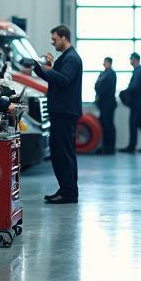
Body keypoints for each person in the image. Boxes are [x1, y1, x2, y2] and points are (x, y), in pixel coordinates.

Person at [32, 24, 83, 204]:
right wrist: (44, 68)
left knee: (63, 153)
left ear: (63, 37)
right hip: (62, 111)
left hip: (65, 112)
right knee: (61, 152)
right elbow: (58, 77)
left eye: (55, 39)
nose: (53, 43)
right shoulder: (66, 58)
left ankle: (69, 193)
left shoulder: (71, 59)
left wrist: (46, 70)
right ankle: (66, 189)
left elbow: (63, 80)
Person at [119, 52, 141, 153]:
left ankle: (131, 147)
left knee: (133, 124)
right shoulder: (139, 71)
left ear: (135, 59)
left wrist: (124, 92)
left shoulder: (139, 72)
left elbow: (134, 87)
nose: (130, 61)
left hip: (138, 104)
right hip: (140, 103)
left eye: (131, 59)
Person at [94, 57, 117, 155]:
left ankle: (110, 147)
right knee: (103, 125)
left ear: (109, 63)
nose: (103, 63)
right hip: (102, 104)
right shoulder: (103, 73)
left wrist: (98, 87)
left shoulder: (111, 74)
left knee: (108, 125)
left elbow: (103, 87)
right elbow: (96, 85)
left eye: (105, 62)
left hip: (108, 104)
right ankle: (105, 146)